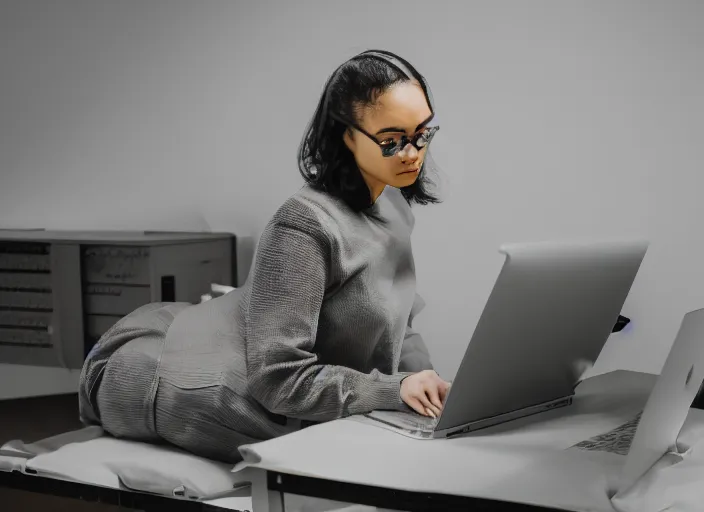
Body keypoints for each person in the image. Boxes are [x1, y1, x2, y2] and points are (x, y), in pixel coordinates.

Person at [77, 49, 451, 463]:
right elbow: (278, 380)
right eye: (391, 140)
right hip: (169, 378)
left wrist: (433, 393)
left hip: (224, 335)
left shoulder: (392, 204)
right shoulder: (302, 226)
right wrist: (392, 390)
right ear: (345, 136)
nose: (412, 151)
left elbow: (400, 321)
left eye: (422, 133)